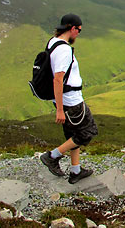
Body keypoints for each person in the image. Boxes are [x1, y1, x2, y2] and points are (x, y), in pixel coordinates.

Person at [39, 14, 98, 184]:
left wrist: (58, 105)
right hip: (71, 101)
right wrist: (59, 110)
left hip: (63, 100)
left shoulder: (53, 42)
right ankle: (52, 156)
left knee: (73, 136)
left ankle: (75, 171)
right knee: (88, 132)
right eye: (78, 30)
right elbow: (58, 79)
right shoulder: (64, 49)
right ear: (72, 28)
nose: (78, 34)